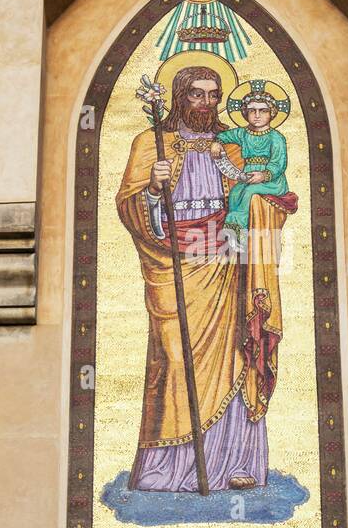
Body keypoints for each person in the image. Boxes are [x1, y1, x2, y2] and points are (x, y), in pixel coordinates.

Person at [116, 62, 287, 493]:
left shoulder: (232, 147)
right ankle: (167, 469)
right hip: (173, 264)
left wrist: (262, 218)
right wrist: (153, 190)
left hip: (227, 264)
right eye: (197, 93)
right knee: (174, 359)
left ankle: (234, 463)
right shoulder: (151, 143)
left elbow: (264, 198)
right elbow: (130, 208)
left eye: (213, 94)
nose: (206, 102)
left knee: (236, 356)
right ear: (180, 96)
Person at [210, 80, 289, 244]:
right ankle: (233, 237)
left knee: (248, 193)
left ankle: (241, 237)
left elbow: (279, 163)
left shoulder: (276, 137)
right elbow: (225, 136)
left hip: (272, 181)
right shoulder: (243, 133)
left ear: (272, 113)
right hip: (248, 177)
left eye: (263, 110)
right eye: (252, 110)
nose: (257, 115)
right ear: (245, 113)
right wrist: (217, 142)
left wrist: (264, 175)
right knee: (235, 194)